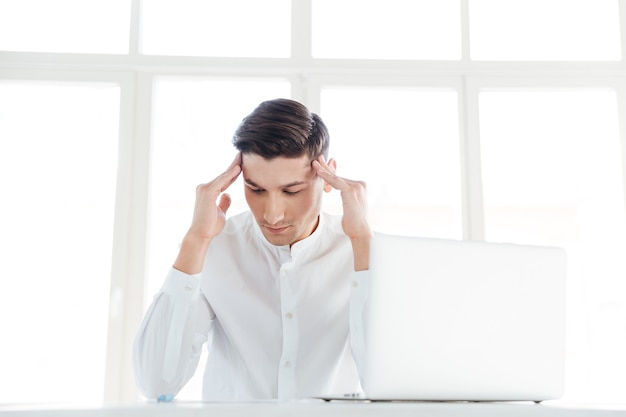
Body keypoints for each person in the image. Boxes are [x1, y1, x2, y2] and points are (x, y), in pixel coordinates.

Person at [133, 98, 371, 401]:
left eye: (292, 191)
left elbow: (385, 380)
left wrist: (364, 245)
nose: (272, 215)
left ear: (328, 178)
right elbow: (157, 382)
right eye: (255, 189)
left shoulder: (360, 249)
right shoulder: (213, 247)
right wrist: (195, 240)